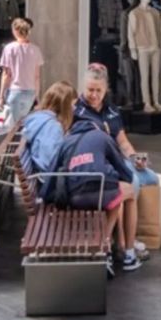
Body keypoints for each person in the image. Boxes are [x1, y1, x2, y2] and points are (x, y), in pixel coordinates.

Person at [20, 81, 138, 274]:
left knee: (113, 194)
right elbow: (53, 164)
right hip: (67, 188)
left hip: (63, 187)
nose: (74, 110)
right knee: (121, 194)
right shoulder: (54, 127)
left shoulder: (41, 122)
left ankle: (114, 247)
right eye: (73, 105)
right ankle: (120, 250)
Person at [74, 63, 160, 262]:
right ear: (83, 88)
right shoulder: (77, 110)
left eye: (99, 91)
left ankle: (135, 232)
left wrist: (135, 158)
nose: (94, 95)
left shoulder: (112, 110)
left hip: (117, 160)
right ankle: (123, 241)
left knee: (150, 177)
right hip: (96, 164)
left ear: (106, 89)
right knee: (130, 183)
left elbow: (122, 142)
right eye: (90, 90)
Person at [0, 18, 43, 124]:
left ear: (15, 31)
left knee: (11, 125)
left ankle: (9, 136)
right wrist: (37, 95)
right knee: (22, 123)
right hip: (30, 91)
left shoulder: (9, 48)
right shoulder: (36, 50)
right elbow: (37, 76)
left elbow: (6, 74)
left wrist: (1, 97)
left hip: (15, 90)